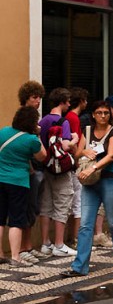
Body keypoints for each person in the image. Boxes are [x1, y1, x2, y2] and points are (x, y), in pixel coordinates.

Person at [61, 100, 113, 277]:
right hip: (90, 182)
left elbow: (112, 155)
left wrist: (93, 167)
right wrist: (84, 152)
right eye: (99, 112)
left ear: (110, 115)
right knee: (85, 224)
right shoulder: (87, 131)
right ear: (93, 114)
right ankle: (80, 266)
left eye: (105, 113)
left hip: (111, 180)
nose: (102, 116)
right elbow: (77, 153)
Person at [0, 107, 47, 267]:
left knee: (0, 219)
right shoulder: (31, 139)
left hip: (0, 179)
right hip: (18, 182)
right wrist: (38, 134)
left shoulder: (3, 131)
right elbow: (42, 156)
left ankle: (0, 254)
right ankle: (15, 257)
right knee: (16, 220)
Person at [38, 87, 77, 258]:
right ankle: (59, 244)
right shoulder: (63, 122)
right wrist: (75, 138)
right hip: (61, 169)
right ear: (62, 102)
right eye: (68, 101)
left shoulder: (42, 121)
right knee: (62, 204)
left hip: (46, 167)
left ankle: (45, 243)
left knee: (46, 205)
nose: (69, 104)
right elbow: (66, 145)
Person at [16, 81, 47, 263]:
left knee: (33, 208)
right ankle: (22, 248)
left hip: (35, 169)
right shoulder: (22, 119)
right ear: (26, 98)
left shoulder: (34, 118)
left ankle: (28, 245)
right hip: (26, 170)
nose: (38, 101)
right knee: (25, 208)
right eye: (35, 97)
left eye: (39, 98)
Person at [65, 88, 87, 245]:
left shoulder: (71, 117)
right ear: (81, 101)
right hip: (74, 163)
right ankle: (76, 238)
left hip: (73, 162)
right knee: (77, 202)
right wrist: (78, 157)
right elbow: (75, 142)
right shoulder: (73, 118)